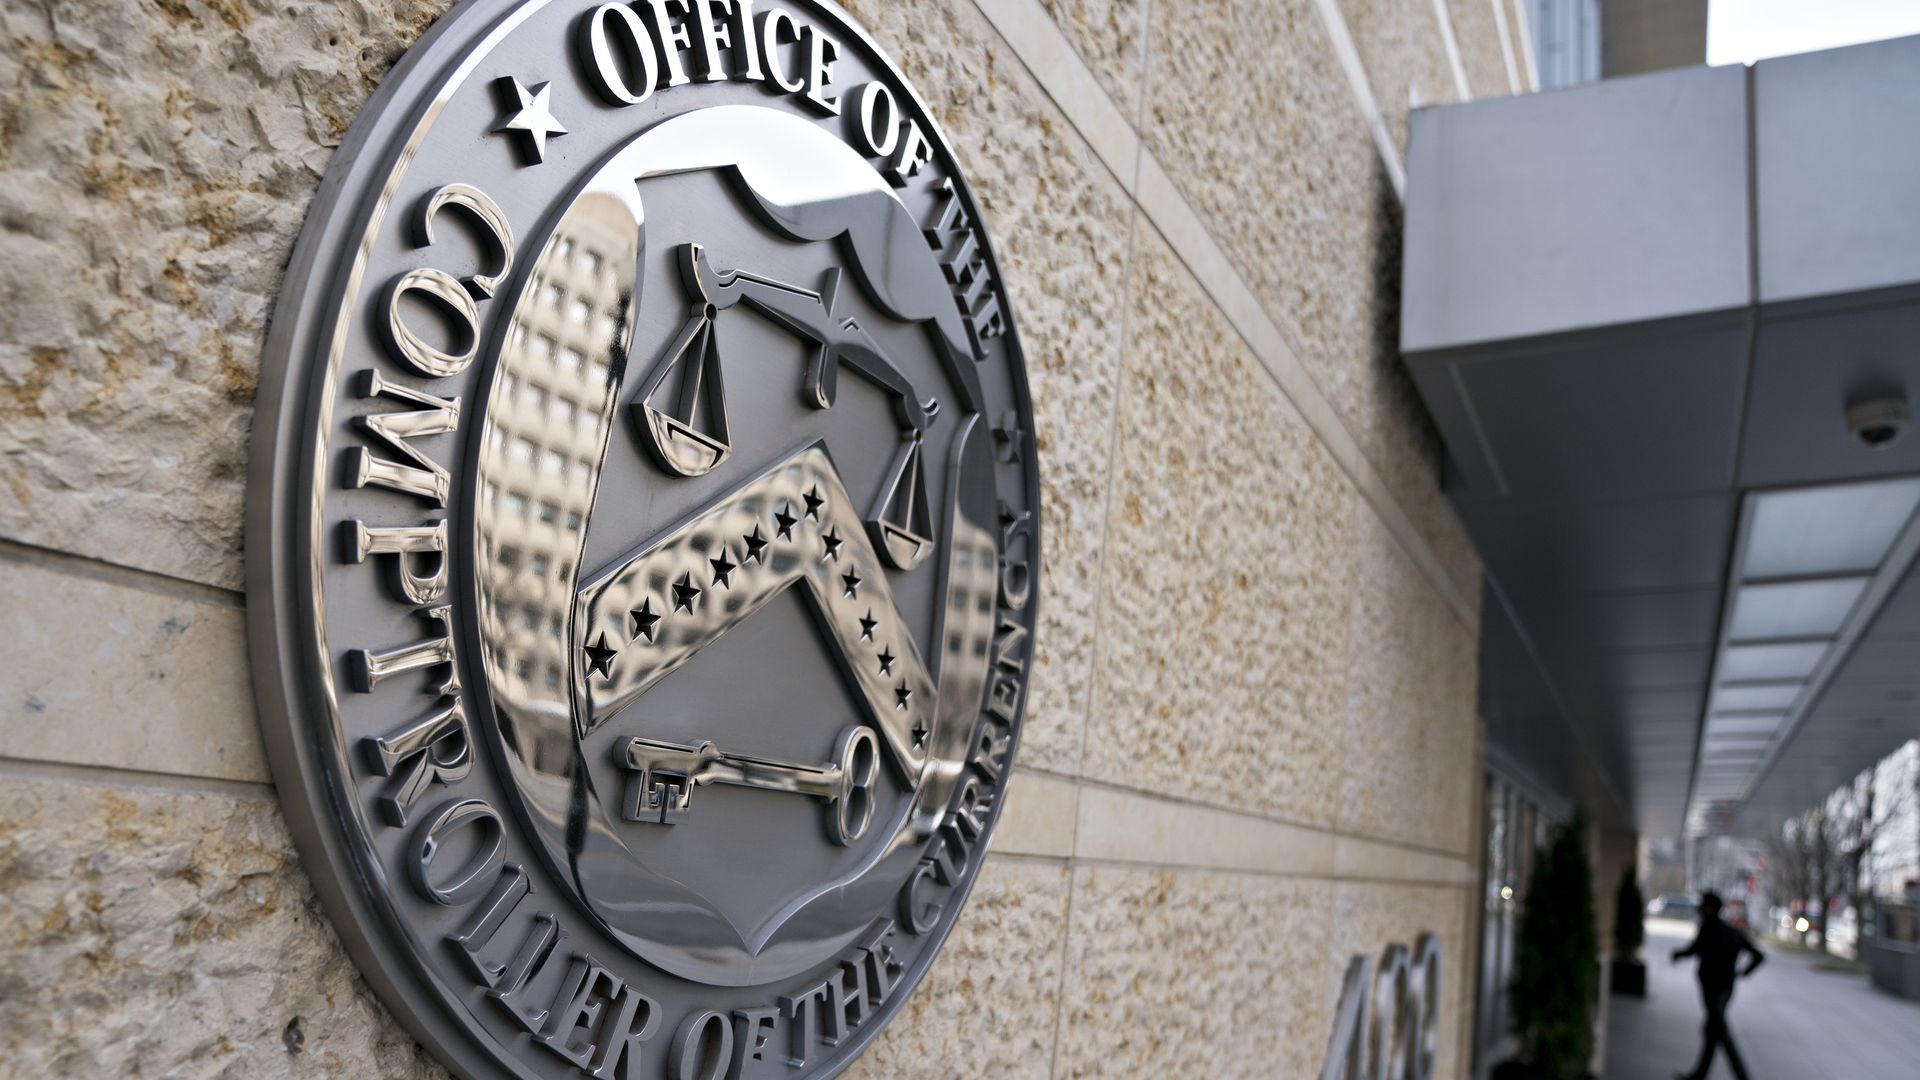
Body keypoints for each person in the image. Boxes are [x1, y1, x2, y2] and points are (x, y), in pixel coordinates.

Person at [1670, 891, 1764, 1080]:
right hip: (1726, 988)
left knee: (1721, 1033)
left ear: (1709, 908)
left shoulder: (1709, 928)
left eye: (1702, 905)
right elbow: (1758, 956)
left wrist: (1677, 955)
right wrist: (1743, 972)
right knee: (1712, 1031)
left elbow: (1694, 949)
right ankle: (1699, 1074)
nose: (1699, 909)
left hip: (1712, 988)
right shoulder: (1732, 932)